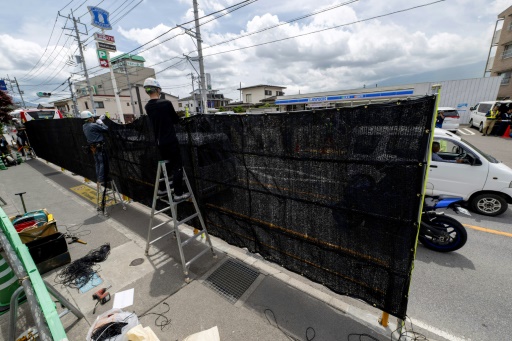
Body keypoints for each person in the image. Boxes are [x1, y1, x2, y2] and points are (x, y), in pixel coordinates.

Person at [143, 77, 190, 202]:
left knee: (167, 166)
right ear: (158, 89)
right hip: (170, 140)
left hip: (159, 142)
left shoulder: (147, 107)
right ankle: (178, 194)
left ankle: (162, 189)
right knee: (177, 166)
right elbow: (175, 120)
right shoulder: (165, 103)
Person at [81, 111, 109, 185]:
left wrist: (98, 121)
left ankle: (98, 178)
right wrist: (101, 122)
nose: (93, 118)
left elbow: (94, 127)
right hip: (99, 147)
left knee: (97, 163)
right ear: (89, 118)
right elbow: (106, 129)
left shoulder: (84, 126)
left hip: (93, 147)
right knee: (102, 162)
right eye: (92, 117)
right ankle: (101, 179)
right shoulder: (93, 125)